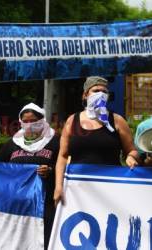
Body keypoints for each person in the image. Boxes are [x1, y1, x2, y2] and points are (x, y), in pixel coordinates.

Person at [54, 76, 139, 205]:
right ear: (85, 95)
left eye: (104, 92)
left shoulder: (117, 120)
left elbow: (132, 150)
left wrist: (131, 157)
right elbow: (63, 156)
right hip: (77, 190)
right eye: (96, 90)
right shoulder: (72, 120)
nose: (100, 94)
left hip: (109, 188)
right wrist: (58, 186)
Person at [0, 103, 59, 250]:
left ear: (42, 120)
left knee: (43, 238)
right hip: (17, 204)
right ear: (20, 122)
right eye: (26, 121)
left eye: (34, 121)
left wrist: (51, 170)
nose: (30, 124)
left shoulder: (55, 141)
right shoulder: (12, 143)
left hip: (45, 203)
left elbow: (65, 165)